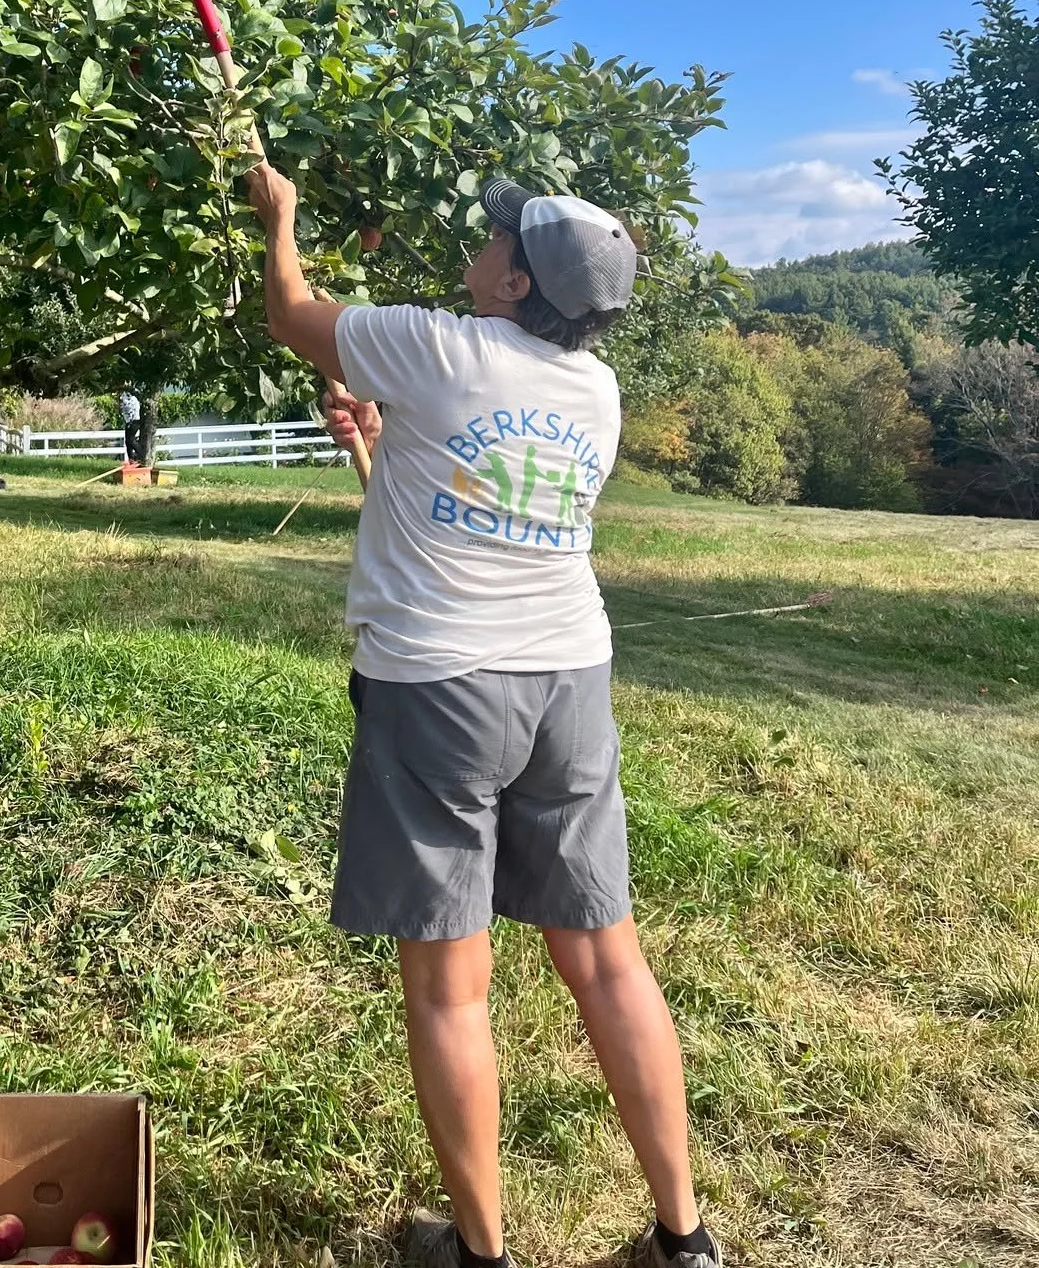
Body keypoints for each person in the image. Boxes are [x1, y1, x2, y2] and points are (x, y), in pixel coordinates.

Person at [245, 160, 722, 1268]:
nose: (480, 241)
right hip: (568, 681)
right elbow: (476, 470)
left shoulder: (437, 342)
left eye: (496, 236)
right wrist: (385, 427)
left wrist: (281, 222)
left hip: (439, 689)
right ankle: (684, 1237)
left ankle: (481, 1253)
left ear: (512, 280)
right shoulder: (593, 390)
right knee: (609, 962)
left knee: (451, 989)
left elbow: (288, 312)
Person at [119, 387, 143, 464]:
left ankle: (141, 454)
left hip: (134, 421)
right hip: (130, 421)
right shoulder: (131, 398)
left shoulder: (131, 399)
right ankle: (131, 458)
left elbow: (127, 408)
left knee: (131, 439)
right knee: (127, 441)